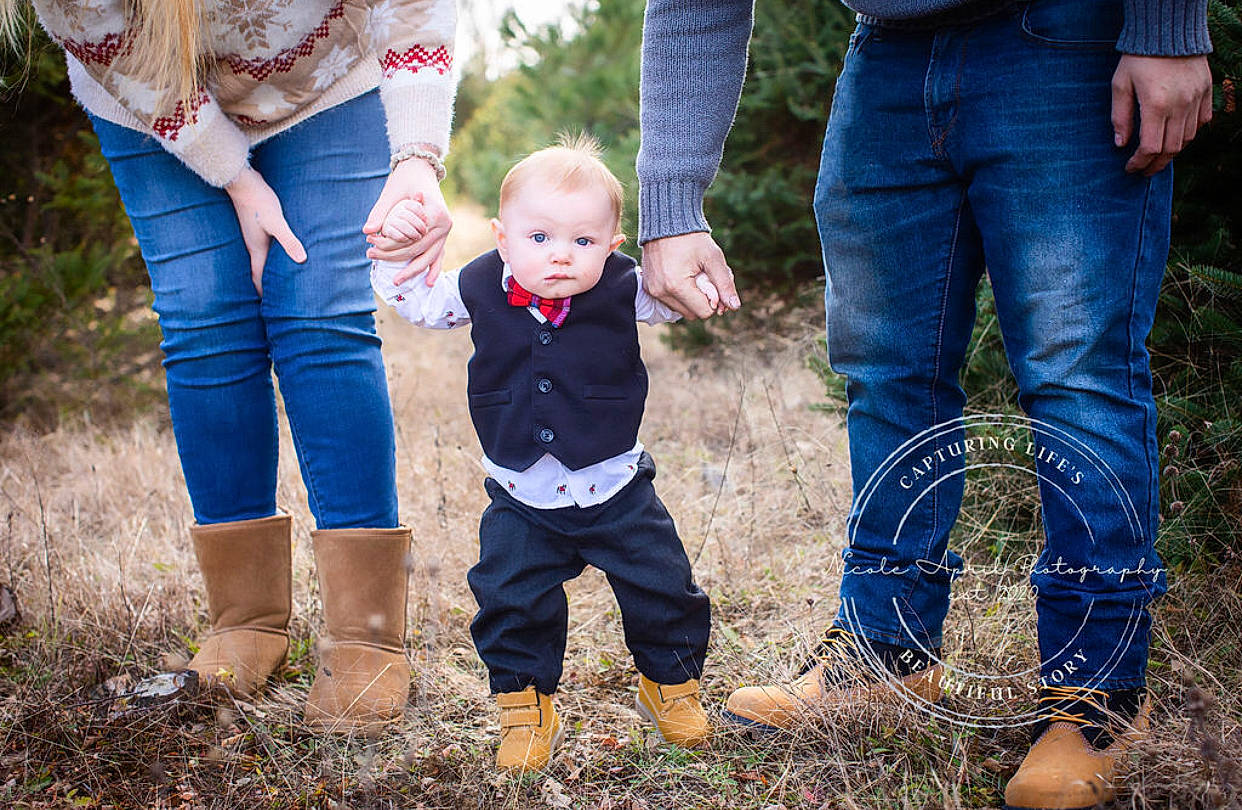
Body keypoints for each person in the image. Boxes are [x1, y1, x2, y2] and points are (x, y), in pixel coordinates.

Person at [636, 0, 1212, 807]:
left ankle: (1098, 693)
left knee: (1078, 374)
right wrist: (671, 201)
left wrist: (1166, 26)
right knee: (886, 372)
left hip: (1066, 40)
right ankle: (885, 651)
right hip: (885, 63)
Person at [9, 0, 457, 736]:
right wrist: (237, 180)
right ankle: (245, 620)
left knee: (319, 309)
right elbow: (104, 35)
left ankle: (367, 632)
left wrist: (416, 157)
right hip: (150, 90)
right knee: (203, 314)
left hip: (328, 84)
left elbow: (415, 8)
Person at [370, 135, 716, 771]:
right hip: (521, 492)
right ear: (502, 238)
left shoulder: (623, 285)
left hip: (615, 486)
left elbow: (671, 300)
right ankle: (525, 705)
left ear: (612, 245)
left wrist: (696, 282)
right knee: (509, 597)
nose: (561, 255)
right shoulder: (476, 284)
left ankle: (670, 684)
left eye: (583, 241)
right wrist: (394, 254)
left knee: (663, 585)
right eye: (539, 238)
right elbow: (415, 304)